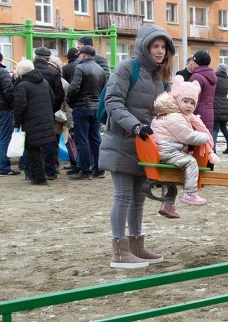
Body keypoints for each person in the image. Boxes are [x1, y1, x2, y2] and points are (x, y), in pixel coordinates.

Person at [98, 24, 176, 268]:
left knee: (139, 198)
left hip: (145, 145)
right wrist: (135, 126)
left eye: (163, 47)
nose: (160, 51)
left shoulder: (160, 78)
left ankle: (136, 246)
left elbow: (163, 112)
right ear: (144, 46)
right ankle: (119, 251)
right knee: (122, 196)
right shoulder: (126, 69)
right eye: (155, 46)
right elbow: (112, 102)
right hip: (122, 140)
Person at [149, 76, 219, 212]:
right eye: (185, 101)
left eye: (192, 103)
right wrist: (204, 137)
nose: (189, 106)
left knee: (170, 176)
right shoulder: (174, 117)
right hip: (166, 150)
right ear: (176, 100)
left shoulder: (169, 114)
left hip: (163, 150)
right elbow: (187, 136)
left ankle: (167, 205)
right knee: (190, 162)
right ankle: (190, 193)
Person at [13, 58, 55, 185]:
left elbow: (19, 107)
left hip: (31, 121)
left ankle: (39, 177)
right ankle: (43, 174)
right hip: (46, 119)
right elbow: (52, 99)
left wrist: (17, 123)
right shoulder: (44, 82)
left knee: (33, 150)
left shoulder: (22, 86)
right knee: (43, 148)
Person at [66, 45, 106, 180]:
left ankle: (85, 169)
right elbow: (103, 90)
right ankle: (99, 169)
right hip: (96, 108)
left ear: (83, 55)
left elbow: (74, 87)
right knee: (96, 139)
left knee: (82, 140)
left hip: (82, 107)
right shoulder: (100, 70)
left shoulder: (80, 68)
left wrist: (70, 102)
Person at [32, 47, 65, 179]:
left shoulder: (28, 72)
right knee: (49, 141)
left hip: (31, 113)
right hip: (48, 112)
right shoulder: (53, 73)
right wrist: (53, 108)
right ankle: (50, 169)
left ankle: (32, 171)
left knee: (32, 142)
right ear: (48, 59)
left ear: (35, 56)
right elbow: (59, 93)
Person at [189, 50, 216, 133]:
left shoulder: (197, 76)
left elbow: (192, 99)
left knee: (195, 143)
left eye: (192, 61)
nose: (191, 64)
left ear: (197, 62)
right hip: (209, 113)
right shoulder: (211, 76)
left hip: (197, 114)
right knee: (206, 142)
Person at [212, 63, 228, 154]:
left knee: (215, 128)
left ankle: (213, 148)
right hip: (225, 104)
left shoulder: (215, 78)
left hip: (216, 104)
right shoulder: (227, 80)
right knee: (224, 128)